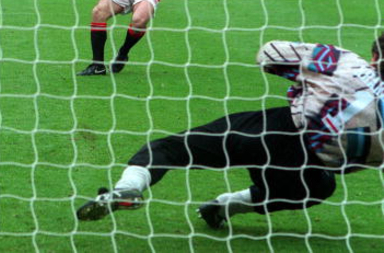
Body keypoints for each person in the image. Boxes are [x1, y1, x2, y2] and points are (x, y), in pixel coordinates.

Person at [77, 36, 384, 228]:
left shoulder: (348, 63)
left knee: (171, 150)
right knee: (320, 188)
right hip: (306, 167)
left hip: (270, 130)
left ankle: (128, 187)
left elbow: (271, 54)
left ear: (374, 57)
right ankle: (224, 206)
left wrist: (302, 85)